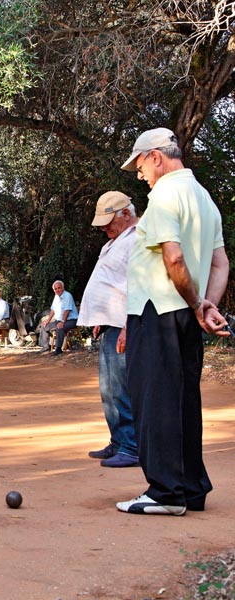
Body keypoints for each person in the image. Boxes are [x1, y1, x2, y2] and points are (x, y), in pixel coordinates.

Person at [117, 127, 230, 516]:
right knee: (183, 399)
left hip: (161, 309)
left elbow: (174, 258)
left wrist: (198, 303)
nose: (139, 173)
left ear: (156, 156)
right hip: (185, 314)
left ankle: (165, 492)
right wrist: (207, 306)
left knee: (155, 399)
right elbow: (219, 263)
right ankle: (190, 488)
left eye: (139, 164)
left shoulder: (165, 193)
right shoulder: (205, 199)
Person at [77, 191, 139, 468]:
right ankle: (118, 441)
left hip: (124, 325)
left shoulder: (138, 239)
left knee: (122, 387)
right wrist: (100, 316)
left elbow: (140, 285)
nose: (103, 228)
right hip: (109, 323)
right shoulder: (116, 241)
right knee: (108, 388)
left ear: (126, 214)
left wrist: (129, 324)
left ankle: (132, 446)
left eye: (108, 221)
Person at [38, 281, 79, 355]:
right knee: (44, 326)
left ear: (63, 288)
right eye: (55, 289)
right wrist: (47, 320)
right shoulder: (56, 297)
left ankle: (58, 349)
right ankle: (45, 347)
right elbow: (53, 310)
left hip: (72, 320)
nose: (57, 290)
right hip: (60, 320)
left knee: (59, 327)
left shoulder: (67, 296)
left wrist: (62, 322)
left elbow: (67, 311)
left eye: (59, 288)